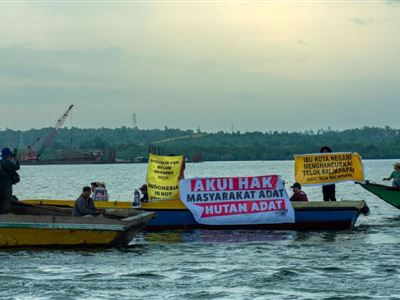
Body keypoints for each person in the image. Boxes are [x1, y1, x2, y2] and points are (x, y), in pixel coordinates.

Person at [0, 147, 20, 213]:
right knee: (6, 200)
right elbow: (17, 167)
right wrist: (14, 158)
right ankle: (4, 215)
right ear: (8, 155)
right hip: (6, 184)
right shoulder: (7, 162)